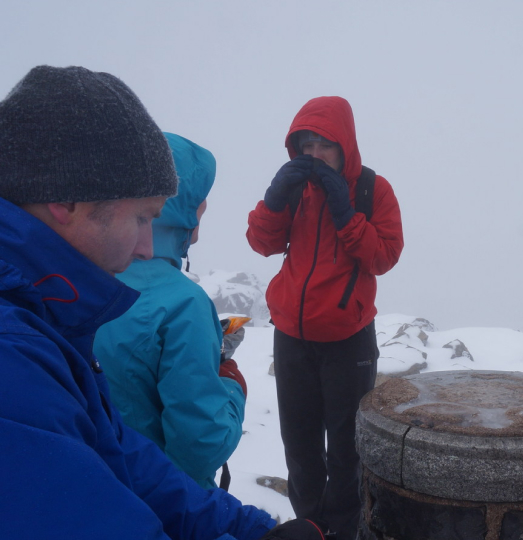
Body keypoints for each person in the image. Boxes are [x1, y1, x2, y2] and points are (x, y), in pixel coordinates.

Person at [0, 65, 274, 539]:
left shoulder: (48, 313)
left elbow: (121, 455)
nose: (146, 247)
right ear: (66, 199)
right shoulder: (14, 355)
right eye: (143, 216)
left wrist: (253, 529)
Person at [247, 96, 404, 540]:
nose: (314, 156)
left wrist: (346, 214)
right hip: (292, 336)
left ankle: (345, 531)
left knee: (345, 450)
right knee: (299, 448)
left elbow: (383, 256)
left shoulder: (374, 190)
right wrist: (275, 199)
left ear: (345, 146)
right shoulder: (296, 189)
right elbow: (262, 242)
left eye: (324, 145)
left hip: (347, 338)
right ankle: (311, 529)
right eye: (306, 145)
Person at [94, 132, 249, 490]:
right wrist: (231, 383)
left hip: (92, 488)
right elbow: (200, 448)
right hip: (164, 502)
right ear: (179, 207)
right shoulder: (183, 303)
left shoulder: (83, 275)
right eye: (201, 203)